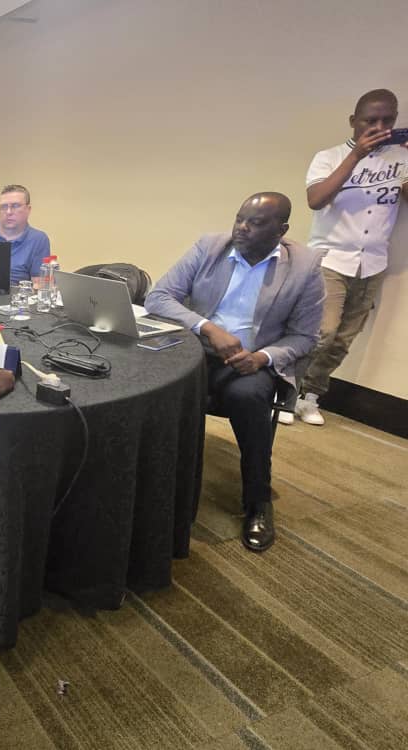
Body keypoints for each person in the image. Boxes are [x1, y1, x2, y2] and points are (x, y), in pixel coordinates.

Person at [145, 192, 325, 553]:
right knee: (151, 384)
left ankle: (258, 501)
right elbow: (159, 297)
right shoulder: (210, 247)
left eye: (255, 223)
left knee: (248, 397)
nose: (242, 228)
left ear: (281, 230)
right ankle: (153, 488)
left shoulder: (305, 267)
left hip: (251, 361)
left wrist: (263, 358)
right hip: (195, 350)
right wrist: (208, 328)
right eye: (240, 218)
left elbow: (306, 336)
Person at [293, 88, 408, 426]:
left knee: (343, 340)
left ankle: (309, 395)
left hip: (372, 262)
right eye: (371, 120)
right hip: (331, 258)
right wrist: (356, 155)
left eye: (387, 120)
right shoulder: (328, 157)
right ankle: (286, 390)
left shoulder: (401, 159)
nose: (379, 127)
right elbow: (316, 199)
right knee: (323, 333)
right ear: (353, 121)